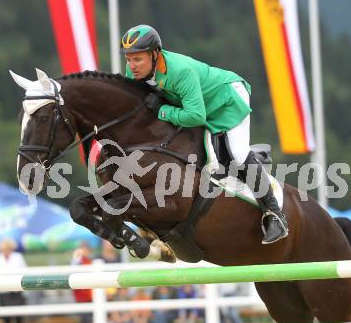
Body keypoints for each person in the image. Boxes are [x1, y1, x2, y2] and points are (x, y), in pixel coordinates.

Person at [120, 24, 288, 244]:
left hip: (227, 99)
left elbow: (195, 117)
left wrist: (162, 110)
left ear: (155, 54)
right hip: (197, 106)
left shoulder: (181, 70)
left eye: (137, 59)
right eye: (128, 59)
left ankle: (275, 214)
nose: (132, 66)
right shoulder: (135, 73)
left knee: (237, 154)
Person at [0, 237, 27, 323]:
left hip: (17, 290)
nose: (6, 250)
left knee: (19, 317)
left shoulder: (18, 257)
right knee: (6, 318)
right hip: (3, 291)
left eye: (8, 248)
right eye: (4, 248)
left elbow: (24, 271)